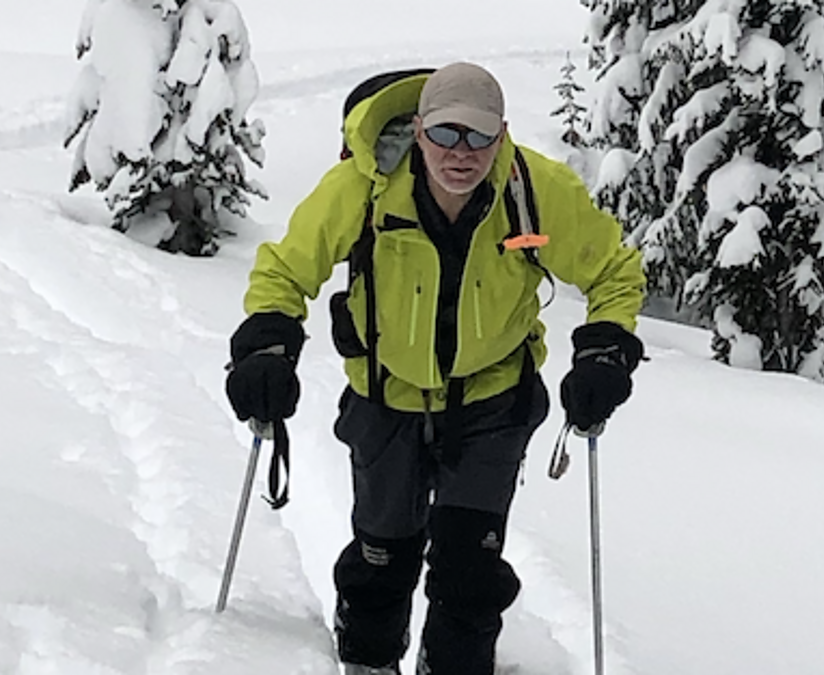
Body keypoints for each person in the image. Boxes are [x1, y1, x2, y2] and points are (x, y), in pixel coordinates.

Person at [224, 62, 645, 675]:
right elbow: (285, 270)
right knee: (381, 556)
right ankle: (368, 661)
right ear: (419, 130)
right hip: (385, 398)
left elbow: (613, 270)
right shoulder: (362, 188)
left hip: (493, 402)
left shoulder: (533, 189)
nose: (461, 153)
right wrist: (266, 348)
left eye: (478, 136)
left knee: (470, 571)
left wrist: (604, 353)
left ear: (500, 136)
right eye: (446, 134)